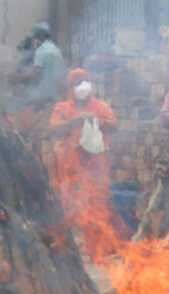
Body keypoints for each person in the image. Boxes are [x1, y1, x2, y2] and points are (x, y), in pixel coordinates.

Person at [50, 68, 117, 248]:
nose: (83, 86)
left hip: (97, 168)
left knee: (98, 206)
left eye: (85, 81)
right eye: (77, 82)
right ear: (71, 87)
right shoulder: (62, 108)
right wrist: (75, 121)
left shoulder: (100, 107)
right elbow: (54, 129)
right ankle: (73, 247)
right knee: (73, 207)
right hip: (72, 168)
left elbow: (114, 124)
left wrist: (99, 121)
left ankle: (96, 247)